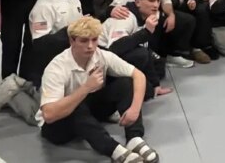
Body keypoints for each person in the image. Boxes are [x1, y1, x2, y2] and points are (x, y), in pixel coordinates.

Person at [39, 17, 159, 163]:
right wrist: (86, 87)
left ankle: (134, 138)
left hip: (87, 112)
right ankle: (115, 150)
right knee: (76, 105)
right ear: (72, 41)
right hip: (58, 125)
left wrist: (134, 108)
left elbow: (138, 75)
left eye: (94, 40)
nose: (90, 46)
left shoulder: (101, 55)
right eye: (84, 41)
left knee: (125, 83)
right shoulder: (56, 68)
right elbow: (49, 114)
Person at [112, 0, 198, 68]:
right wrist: (112, 10)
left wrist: (170, 15)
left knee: (175, 19)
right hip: (130, 31)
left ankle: (169, 55)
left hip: (148, 23)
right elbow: (112, 8)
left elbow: (166, 0)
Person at [100, 0, 173, 100]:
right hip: (101, 59)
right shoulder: (125, 17)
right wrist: (146, 32)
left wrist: (156, 85)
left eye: (158, 1)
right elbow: (114, 48)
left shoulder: (145, 16)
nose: (156, 5)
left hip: (121, 54)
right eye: (151, 0)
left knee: (158, 65)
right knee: (142, 55)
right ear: (138, 2)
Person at [22, 0, 84, 85]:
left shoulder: (75, 0)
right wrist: (70, 30)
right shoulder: (43, 6)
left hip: (74, 60)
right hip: (50, 67)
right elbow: (40, 44)